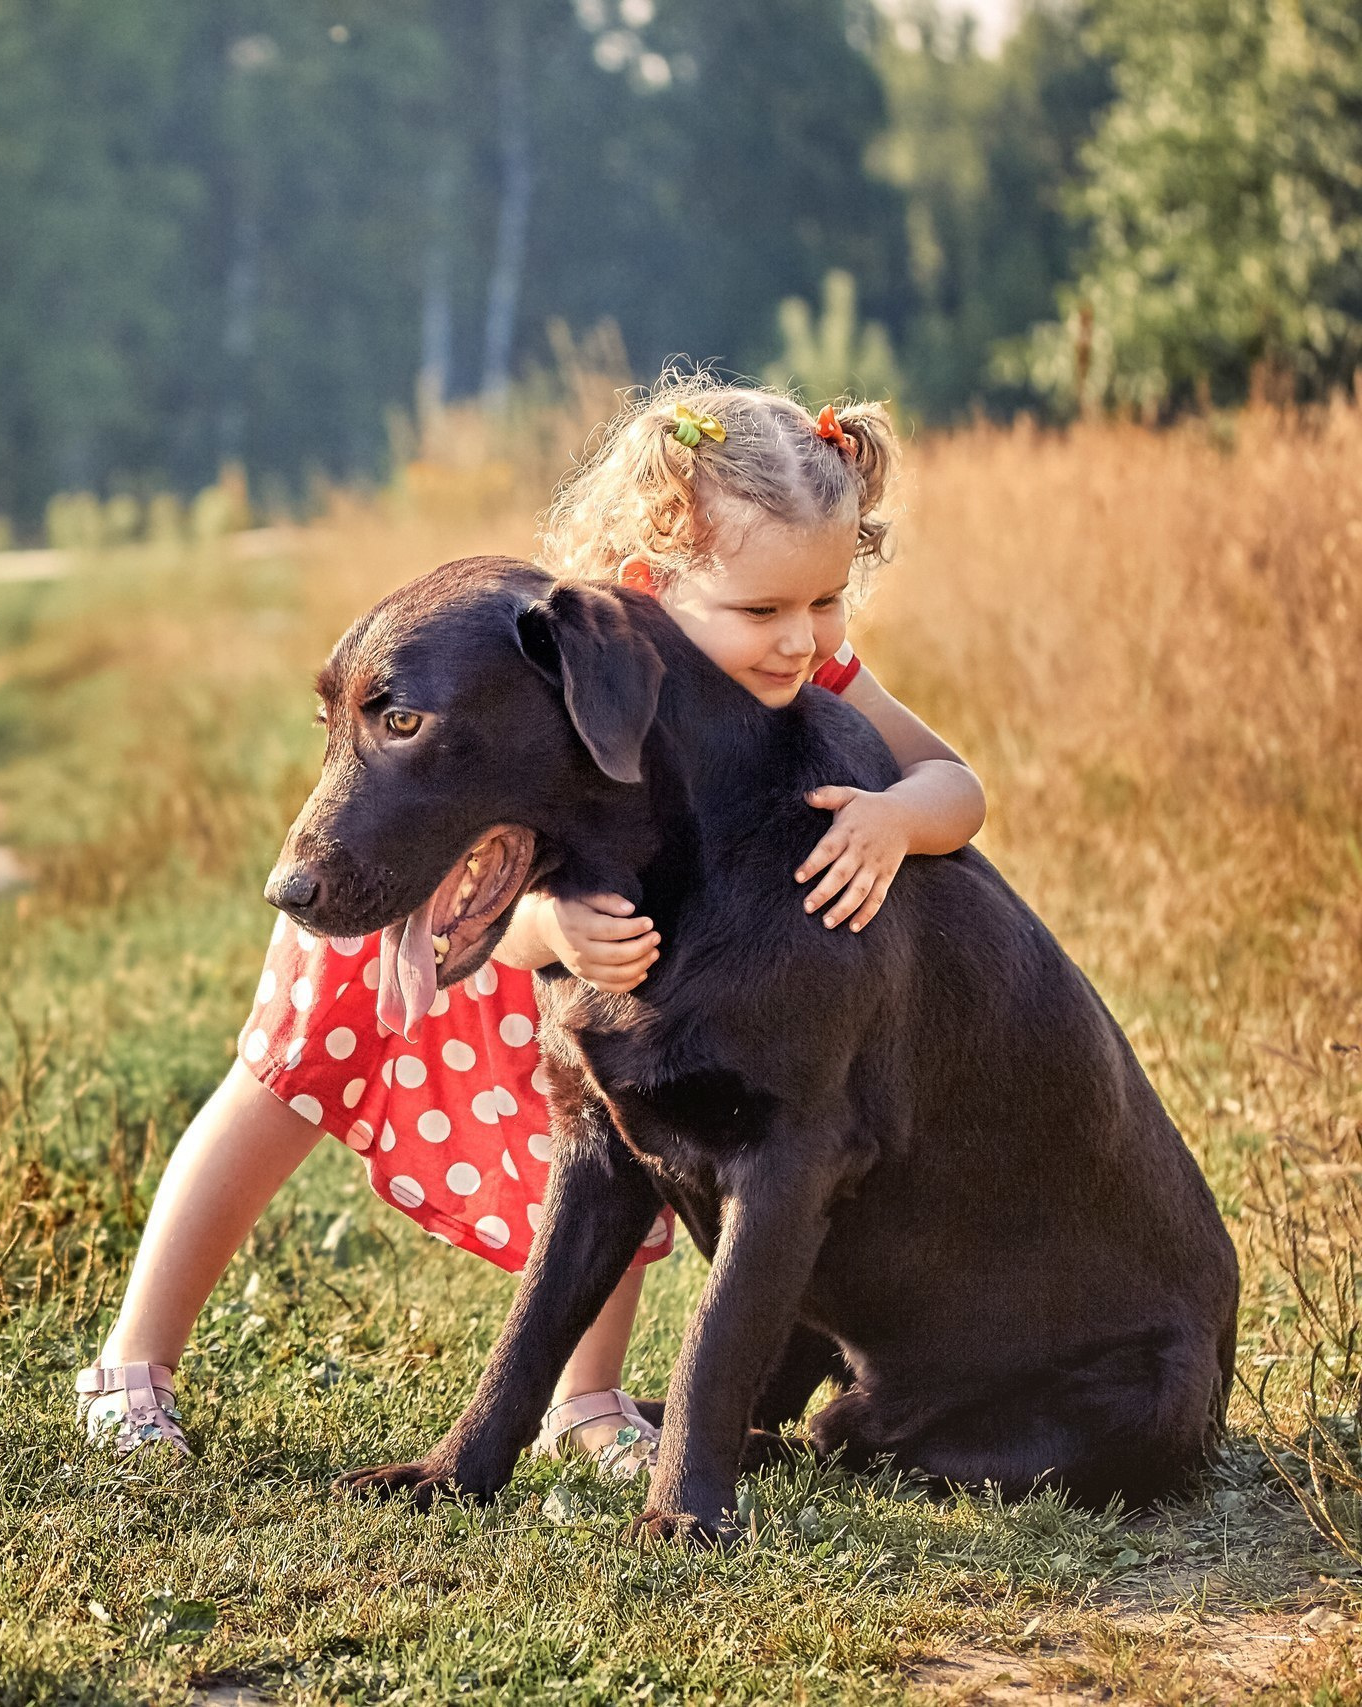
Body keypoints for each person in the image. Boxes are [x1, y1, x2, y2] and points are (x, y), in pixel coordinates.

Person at [74, 378, 987, 1476]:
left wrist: (892, 820)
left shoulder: (800, 654)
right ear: (658, 582)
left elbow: (952, 784)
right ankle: (134, 1366)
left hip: (563, 935)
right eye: (762, 612)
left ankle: (584, 1399)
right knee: (286, 1081)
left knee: (622, 1129)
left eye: (824, 603)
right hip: (437, 898)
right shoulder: (578, 644)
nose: (800, 641)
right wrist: (553, 926)